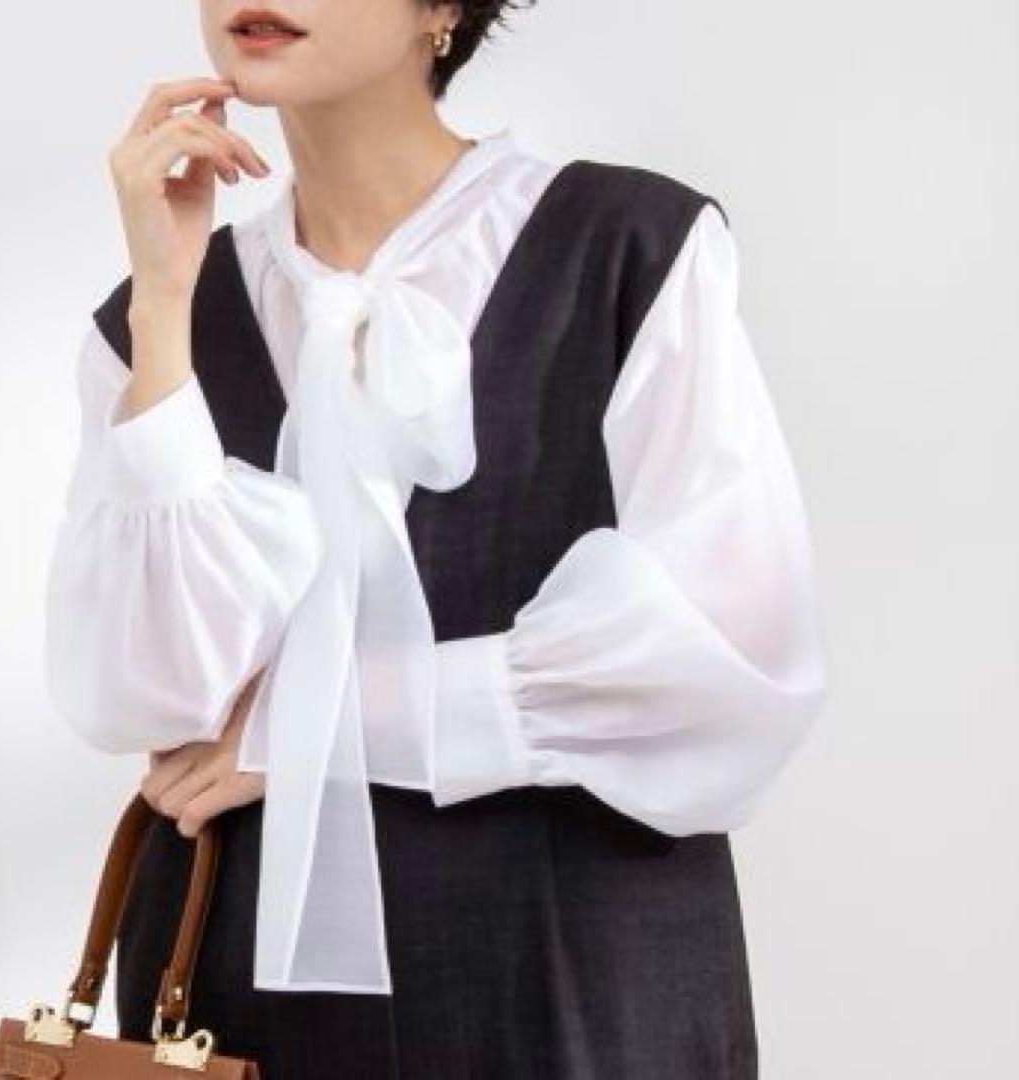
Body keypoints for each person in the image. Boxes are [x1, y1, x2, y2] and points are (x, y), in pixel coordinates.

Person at [43, 1, 829, 1076]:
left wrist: (322, 720)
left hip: (572, 970)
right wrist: (163, 317)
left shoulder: (631, 248)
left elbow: (732, 660)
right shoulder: (147, 319)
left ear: (442, 8)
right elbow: (154, 698)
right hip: (229, 1001)